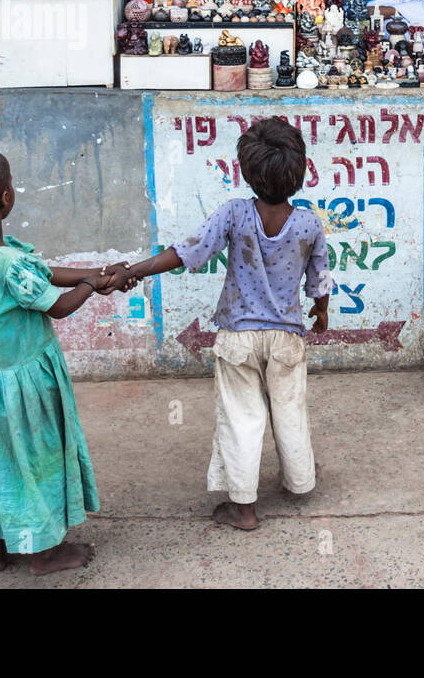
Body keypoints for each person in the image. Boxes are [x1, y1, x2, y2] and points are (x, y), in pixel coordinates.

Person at [116, 119, 333, 530]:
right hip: (287, 337)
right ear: (300, 171)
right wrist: (321, 313)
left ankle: (243, 507)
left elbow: (186, 252)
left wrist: (135, 270)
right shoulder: (309, 224)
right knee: (290, 409)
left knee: (241, 417)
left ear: (247, 173)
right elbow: (319, 281)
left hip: (238, 337)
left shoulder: (235, 214)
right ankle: (300, 482)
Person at [0, 149, 118, 574]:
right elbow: (55, 306)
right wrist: (92, 285)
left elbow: (37, 272)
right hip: (22, 386)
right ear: (6, 198)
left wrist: (90, 272)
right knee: (33, 462)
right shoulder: (9, 263)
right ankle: (41, 554)